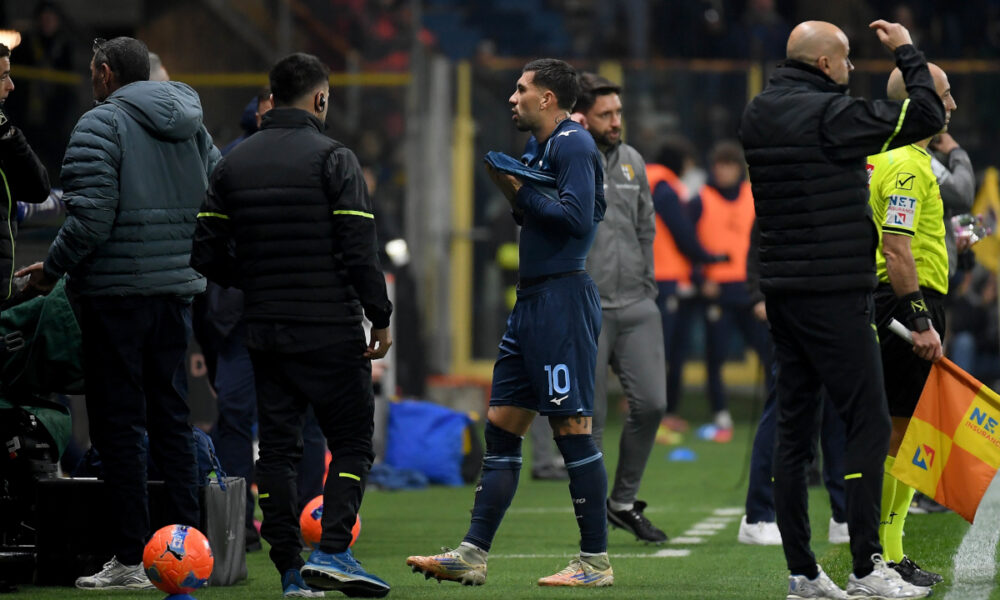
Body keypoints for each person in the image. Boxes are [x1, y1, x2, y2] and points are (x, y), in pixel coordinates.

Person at [740, 19, 945, 599]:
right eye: (848, 59)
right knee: (867, 422)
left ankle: (803, 574)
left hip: (783, 290)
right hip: (835, 292)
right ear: (826, 64)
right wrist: (907, 50)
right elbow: (926, 115)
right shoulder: (833, 116)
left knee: (794, 431)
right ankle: (866, 568)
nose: (852, 69)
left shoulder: (756, 113)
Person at [17, 36, 220, 590]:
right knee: (173, 421)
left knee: (121, 427)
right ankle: (187, 553)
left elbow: (89, 221)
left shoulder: (98, 125)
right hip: (174, 295)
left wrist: (51, 269)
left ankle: (131, 557)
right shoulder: (192, 124)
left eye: (92, 72)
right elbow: (218, 193)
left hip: (115, 298)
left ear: (106, 73)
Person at [191, 52, 392, 599]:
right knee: (351, 441)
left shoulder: (231, 164)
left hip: (265, 331)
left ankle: (289, 572)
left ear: (271, 97)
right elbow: (360, 249)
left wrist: (256, 280)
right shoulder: (335, 159)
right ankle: (335, 550)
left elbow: (204, 254)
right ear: (320, 98)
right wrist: (380, 315)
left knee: (276, 451)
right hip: (331, 329)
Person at [406, 58, 611, 587]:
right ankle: (472, 555)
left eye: (522, 90)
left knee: (571, 428)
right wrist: (512, 187)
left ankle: (594, 563)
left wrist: (520, 190)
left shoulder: (573, 144)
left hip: (563, 300)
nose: (513, 98)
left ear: (547, 98)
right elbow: (532, 214)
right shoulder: (539, 148)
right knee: (501, 424)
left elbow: (576, 219)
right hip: (532, 303)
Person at [570, 72, 668, 544]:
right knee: (589, 421)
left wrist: (647, 285)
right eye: (605, 114)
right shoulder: (564, 158)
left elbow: (646, 226)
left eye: (618, 113)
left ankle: (622, 503)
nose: (615, 122)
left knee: (653, 404)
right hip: (586, 307)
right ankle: (594, 524)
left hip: (636, 302)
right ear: (582, 117)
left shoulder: (633, 161)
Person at [868, 63, 955, 588]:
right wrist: (919, 316)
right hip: (905, 303)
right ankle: (885, 555)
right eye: (944, 95)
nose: (952, 105)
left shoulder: (893, 157)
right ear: (918, 100)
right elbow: (896, 247)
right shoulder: (905, 164)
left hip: (903, 300)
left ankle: (889, 553)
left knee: (903, 433)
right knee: (899, 434)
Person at [738, 223, 848, 547]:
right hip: (793, 308)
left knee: (837, 410)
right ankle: (759, 514)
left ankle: (844, 515)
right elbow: (760, 245)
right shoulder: (785, 191)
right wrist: (758, 295)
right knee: (784, 409)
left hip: (832, 305)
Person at [668, 141, 772, 439]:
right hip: (717, 292)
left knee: (769, 353)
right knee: (716, 357)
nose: (723, 171)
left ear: (739, 169)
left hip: (750, 293)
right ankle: (721, 414)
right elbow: (685, 243)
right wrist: (700, 279)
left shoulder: (753, 196)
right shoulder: (700, 200)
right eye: (718, 165)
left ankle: (773, 409)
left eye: (729, 165)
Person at [0, 42, 50, 308]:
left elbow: (39, 188)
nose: (11, 86)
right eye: (3, 77)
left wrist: (9, 135)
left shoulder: (4, 137)